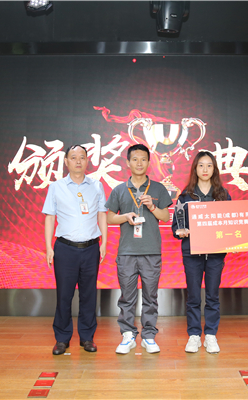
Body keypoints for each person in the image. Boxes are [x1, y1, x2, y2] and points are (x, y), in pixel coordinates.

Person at [106, 144, 173, 354]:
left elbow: (166, 217)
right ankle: (128, 335)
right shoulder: (119, 189)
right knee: (127, 296)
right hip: (126, 251)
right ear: (128, 163)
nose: (139, 163)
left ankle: (149, 336)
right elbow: (109, 218)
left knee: (150, 296)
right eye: (135, 159)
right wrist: (125, 217)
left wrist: (152, 206)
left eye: (143, 159)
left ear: (149, 162)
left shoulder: (158, 189)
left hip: (151, 250)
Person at [42, 144, 108, 356]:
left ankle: (87, 338)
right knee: (64, 295)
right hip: (65, 249)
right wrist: (48, 247)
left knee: (89, 295)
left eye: (82, 157)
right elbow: (50, 217)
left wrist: (104, 242)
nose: (78, 161)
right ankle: (62, 339)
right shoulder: (56, 187)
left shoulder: (96, 186)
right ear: (66, 161)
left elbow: (102, 214)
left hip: (90, 248)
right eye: (73, 157)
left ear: (87, 161)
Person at [172, 151, 231, 354]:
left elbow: (231, 223)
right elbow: (176, 225)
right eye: (201, 165)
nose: (205, 169)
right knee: (194, 296)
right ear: (195, 169)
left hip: (215, 253)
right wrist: (180, 231)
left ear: (214, 169)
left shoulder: (223, 195)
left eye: (209, 165)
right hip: (192, 253)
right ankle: (194, 335)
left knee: (213, 295)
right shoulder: (185, 196)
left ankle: (211, 335)